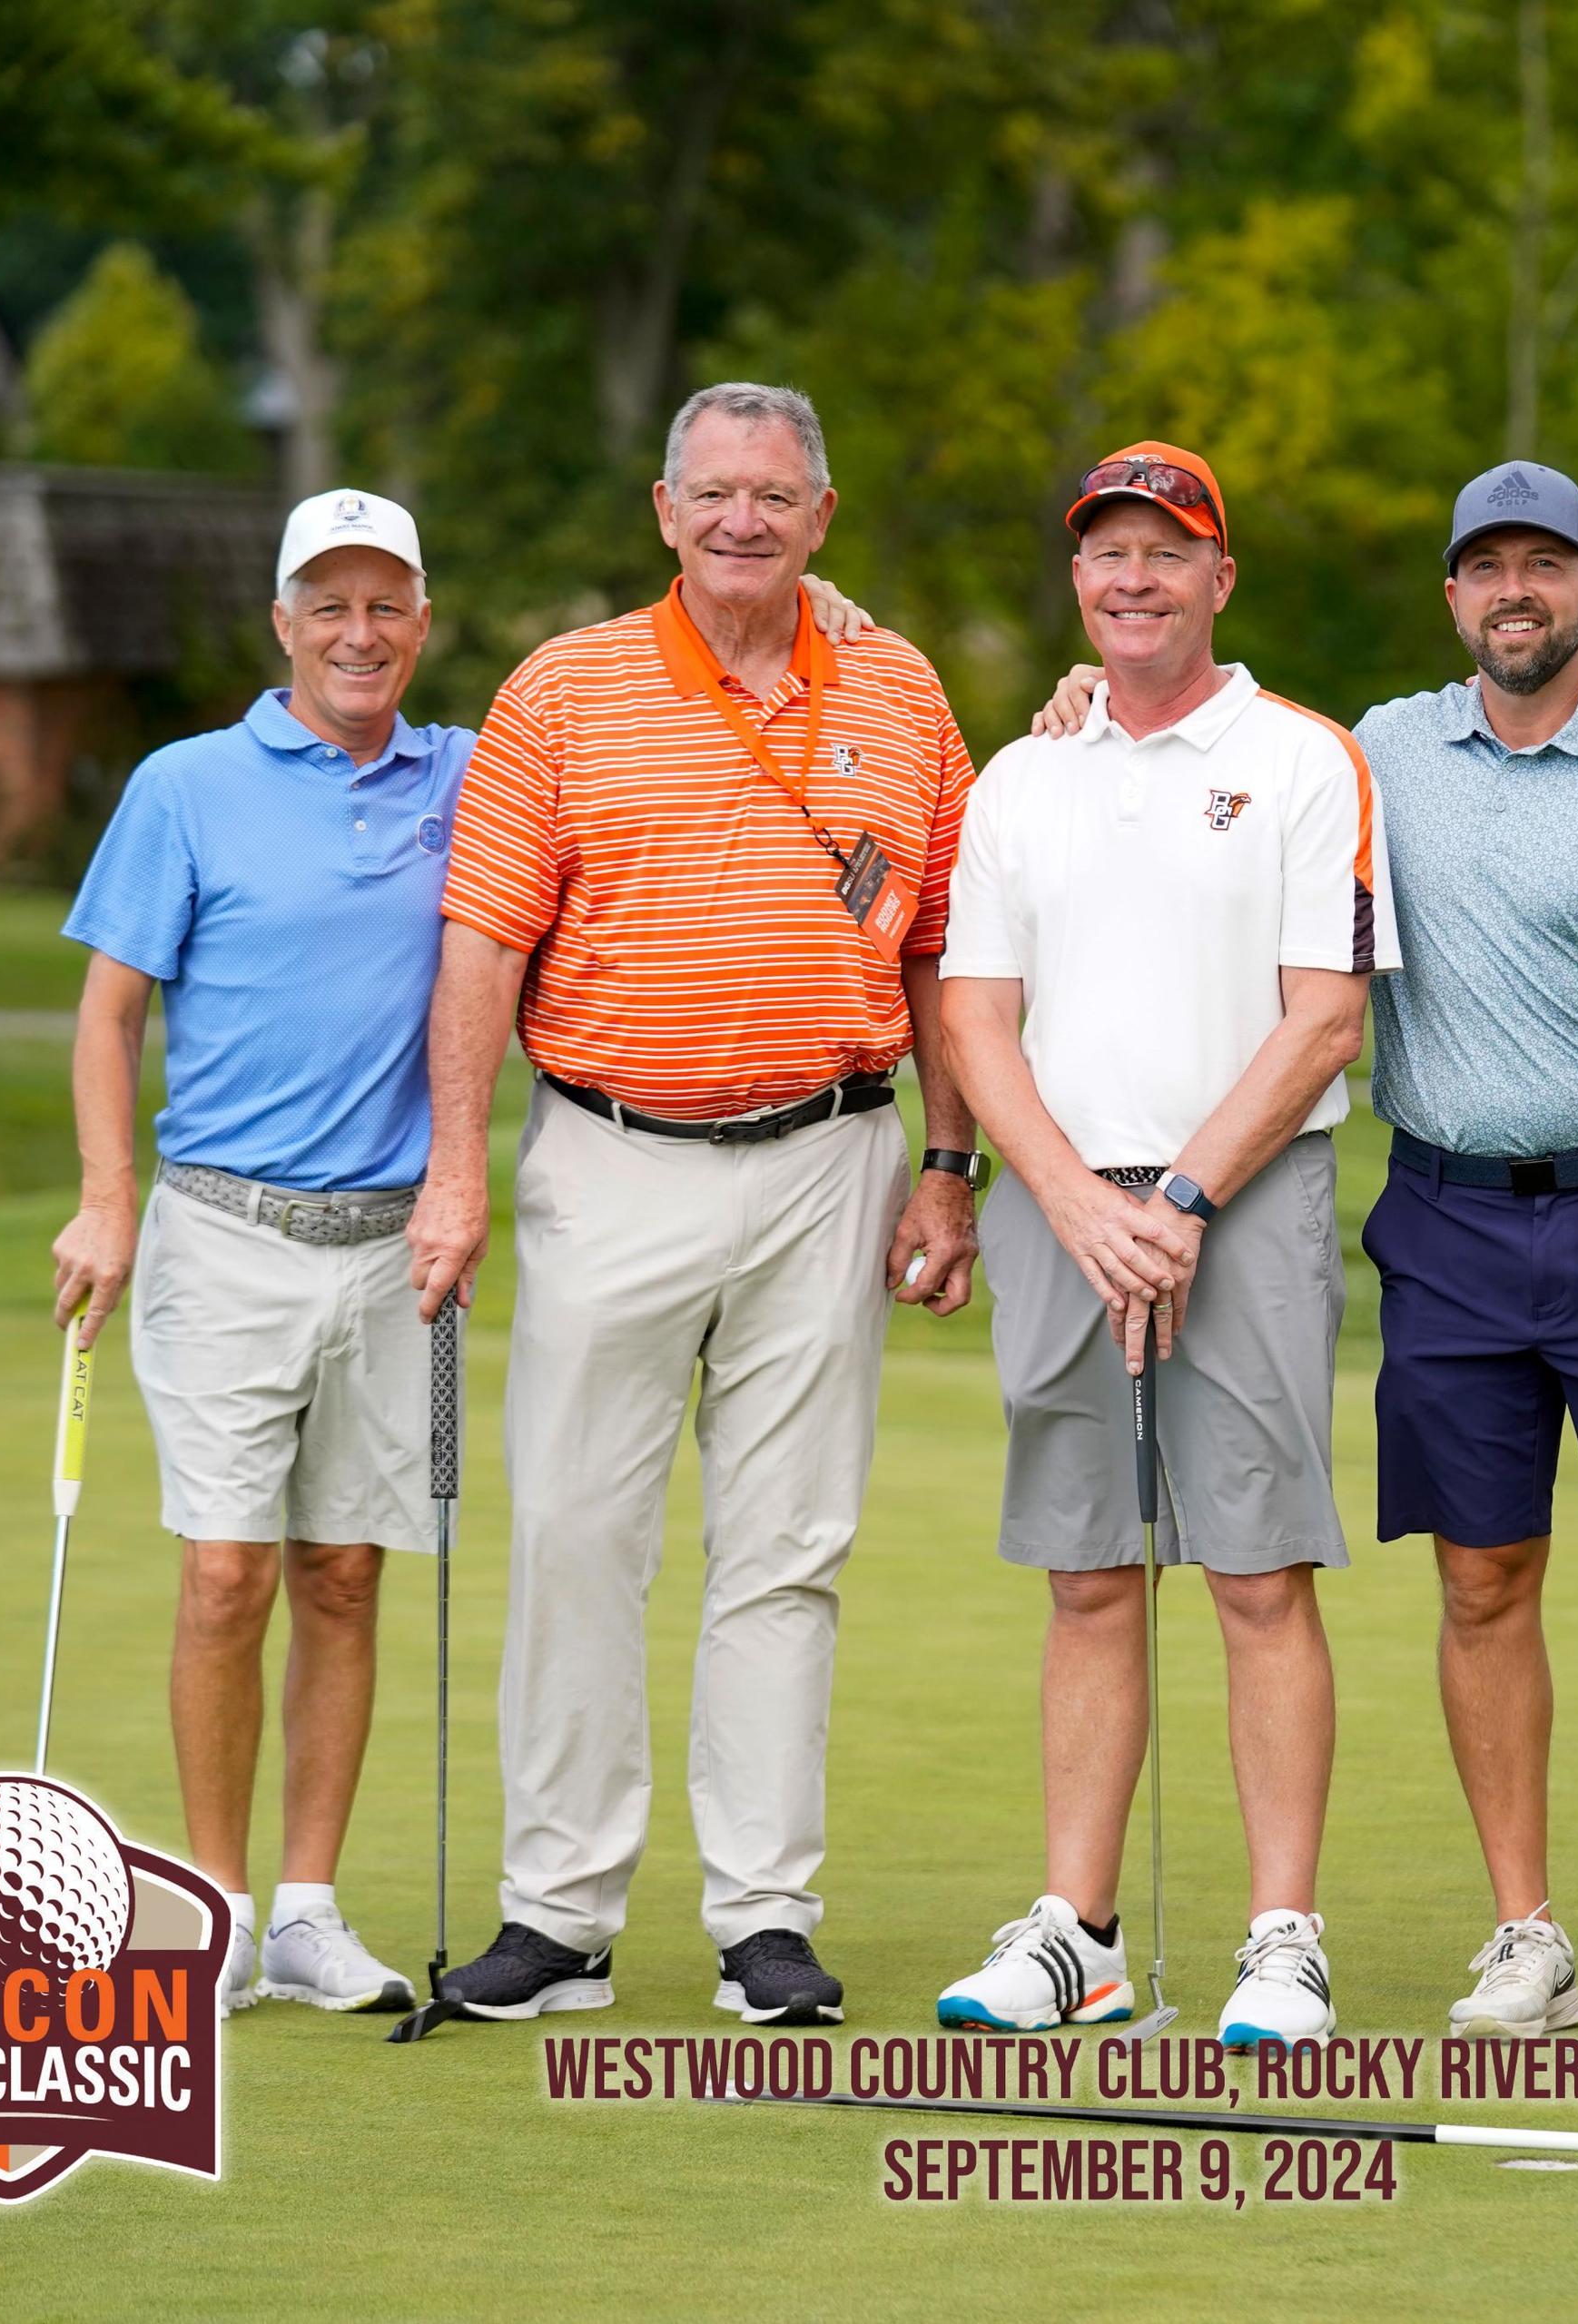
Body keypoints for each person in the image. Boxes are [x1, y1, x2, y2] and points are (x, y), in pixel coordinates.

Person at [1021, 462, 1578, 2046]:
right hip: (1438, 1219)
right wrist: (1082, 701)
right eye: (1486, 568)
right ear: (1452, 597)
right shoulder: (1370, 753)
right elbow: (1194, 745)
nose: (1518, 593)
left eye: (1546, 568)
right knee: (1483, 1578)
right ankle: (1528, 1936)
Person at [407, 382, 981, 2030]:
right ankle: (560, 1916)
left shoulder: (897, 684)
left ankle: (763, 1921)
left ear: (821, 515)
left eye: (776, 494)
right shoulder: (563, 690)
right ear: (664, 510)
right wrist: (456, 1173)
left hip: (831, 1160)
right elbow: (484, 944)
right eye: (714, 492)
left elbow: (940, 942)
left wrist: (949, 1162)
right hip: (610, 1154)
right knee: (579, 1535)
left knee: (785, 1552)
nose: (744, 519)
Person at [932, 442, 1394, 2047]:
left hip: (1241, 1204)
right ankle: (1081, 1931)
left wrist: (1180, 1203)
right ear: (1078, 579)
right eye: (1105, 554)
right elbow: (976, 1013)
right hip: (1062, 1203)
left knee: (1256, 1574)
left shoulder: (1302, 759)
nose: (1132, 579)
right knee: (1086, 1576)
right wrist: (1069, 1201)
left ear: (1219, 578)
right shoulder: (1019, 774)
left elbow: (1324, 1020)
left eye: (1165, 552)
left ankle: (1282, 1936)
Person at [49, 487, 468, 2017]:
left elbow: (655, 781)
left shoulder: (474, 779)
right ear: (280, 622)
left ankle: (306, 1908)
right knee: (227, 1578)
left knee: (344, 1577)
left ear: (423, 622)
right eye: (329, 606)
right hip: (222, 1232)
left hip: (396, 1250)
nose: (360, 634)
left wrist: (842, 626)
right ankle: (217, 1911)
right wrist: (107, 1197)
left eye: (387, 606)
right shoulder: (185, 784)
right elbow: (110, 1010)